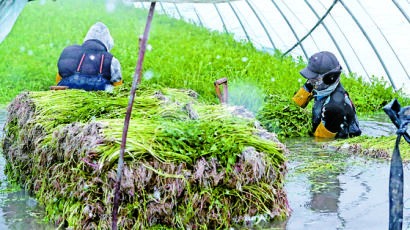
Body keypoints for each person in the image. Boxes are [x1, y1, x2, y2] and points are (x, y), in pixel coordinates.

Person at [293, 51, 361, 138]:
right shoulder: (317, 83)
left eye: (314, 78)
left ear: (329, 78)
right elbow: (295, 105)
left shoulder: (334, 107)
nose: (310, 81)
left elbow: (319, 142)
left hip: (338, 141)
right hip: (324, 124)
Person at [56, 22, 122, 91]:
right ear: (108, 42)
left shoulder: (69, 52)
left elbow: (59, 79)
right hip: (98, 100)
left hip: (66, 97)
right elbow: (118, 88)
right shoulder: (112, 60)